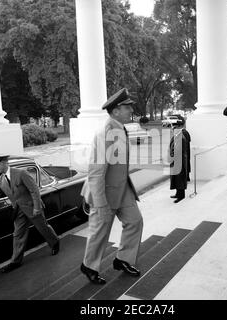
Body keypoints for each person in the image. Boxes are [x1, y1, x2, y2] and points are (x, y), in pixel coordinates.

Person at [80, 88, 143, 285]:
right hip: (104, 192)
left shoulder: (120, 127)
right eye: (127, 107)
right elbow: (96, 171)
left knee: (135, 221)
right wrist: (100, 203)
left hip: (122, 189)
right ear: (116, 110)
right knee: (100, 233)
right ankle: (89, 266)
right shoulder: (105, 133)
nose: (130, 110)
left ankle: (122, 259)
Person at [0, 155, 60, 273]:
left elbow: (34, 190)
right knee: (18, 235)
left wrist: (37, 207)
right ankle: (15, 261)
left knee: (43, 228)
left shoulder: (21, 173)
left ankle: (55, 242)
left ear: (5, 162)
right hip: (18, 211)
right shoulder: (0, 181)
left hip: (32, 207)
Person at [168, 116, 191, 203]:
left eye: (174, 127)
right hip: (176, 161)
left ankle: (181, 195)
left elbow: (178, 150)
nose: (172, 128)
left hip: (179, 161)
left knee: (180, 178)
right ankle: (178, 193)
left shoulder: (180, 136)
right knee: (176, 178)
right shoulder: (177, 135)